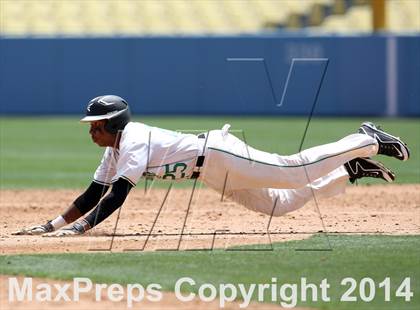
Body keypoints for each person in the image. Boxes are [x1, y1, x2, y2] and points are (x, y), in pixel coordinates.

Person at [13, 95, 410, 237]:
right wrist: (53, 224)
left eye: (95, 124)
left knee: (295, 169)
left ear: (113, 122)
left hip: (218, 153)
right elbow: (93, 192)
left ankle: (367, 139)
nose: (91, 130)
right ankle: (347, 170)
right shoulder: (114, 148)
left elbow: (117, 196)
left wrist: (80, 229)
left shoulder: (133, 141)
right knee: (279, 205)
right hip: (210, 173)